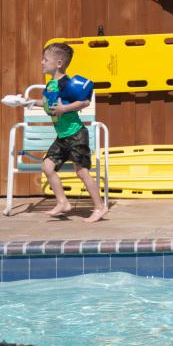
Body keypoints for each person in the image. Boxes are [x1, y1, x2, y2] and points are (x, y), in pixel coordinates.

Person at [40, 43, 107, 223]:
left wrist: (65, 108)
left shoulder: (67, 84)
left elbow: (84, 102)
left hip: (76, 134)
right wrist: (26, 102)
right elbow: (48, 105)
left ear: (59, 63)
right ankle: (63, 202)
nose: (42, 62)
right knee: (47, 167)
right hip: (62, 136)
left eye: (45, 59)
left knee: (82, 172)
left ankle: (100, 207)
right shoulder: (51, 85)